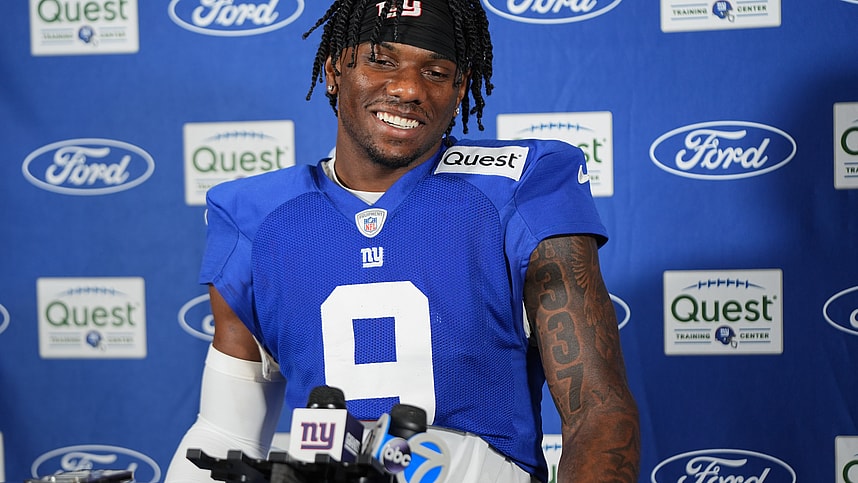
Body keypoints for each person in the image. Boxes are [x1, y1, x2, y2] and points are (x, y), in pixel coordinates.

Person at [166, 0, 640, 481]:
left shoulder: (520, 186)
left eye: (436, 72)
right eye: (381, 60)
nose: (409, 88)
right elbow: (226, 433)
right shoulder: (257, 216)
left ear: (461, 91)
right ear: (334, 70)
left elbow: (598, 416)